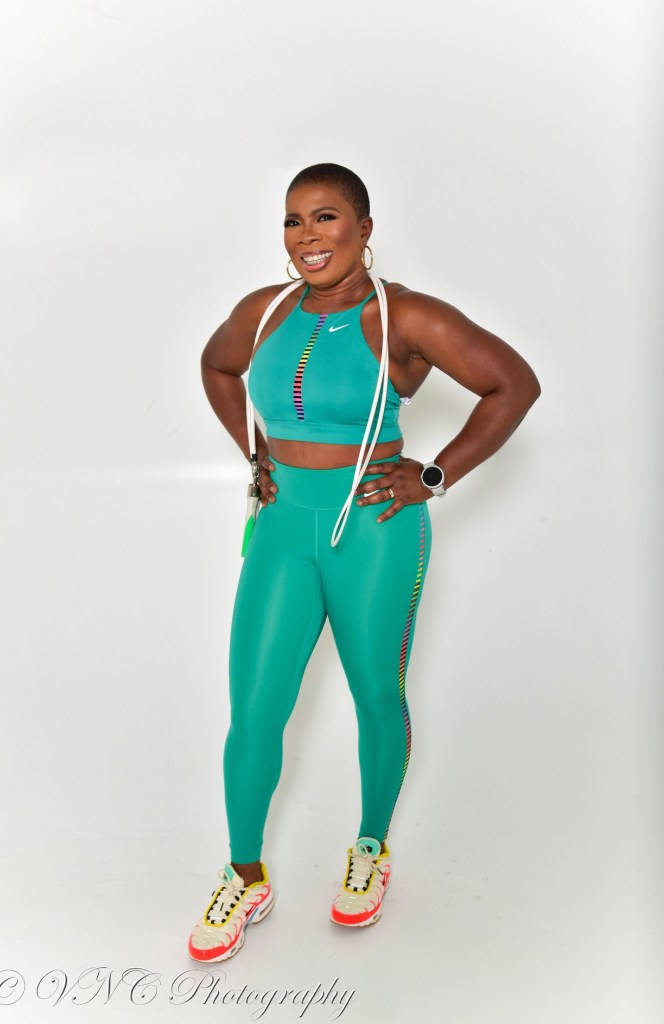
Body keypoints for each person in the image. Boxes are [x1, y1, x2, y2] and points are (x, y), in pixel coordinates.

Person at [188, 163, 540, 962]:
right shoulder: (264, 310)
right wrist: (254, 452)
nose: (307, 236)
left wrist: (434, 476)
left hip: (375, 529)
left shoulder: (403, 315)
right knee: (255, 709)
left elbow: (513, 384)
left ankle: (371, 846)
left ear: (364, 229)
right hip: (282, 529)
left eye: (325, 217)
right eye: (293, 221)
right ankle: (245, 873)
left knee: (377, 693)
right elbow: (216, 365)